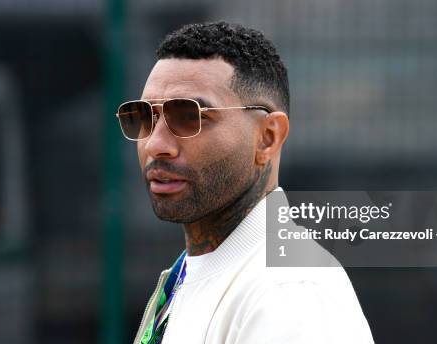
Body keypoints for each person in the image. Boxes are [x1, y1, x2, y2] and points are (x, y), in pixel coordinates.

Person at [115, 21, 374, 344]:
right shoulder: (194, 273)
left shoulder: (288, 294)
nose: (155, 144)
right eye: (144, 117)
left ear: (267, 138)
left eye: (189, 116)